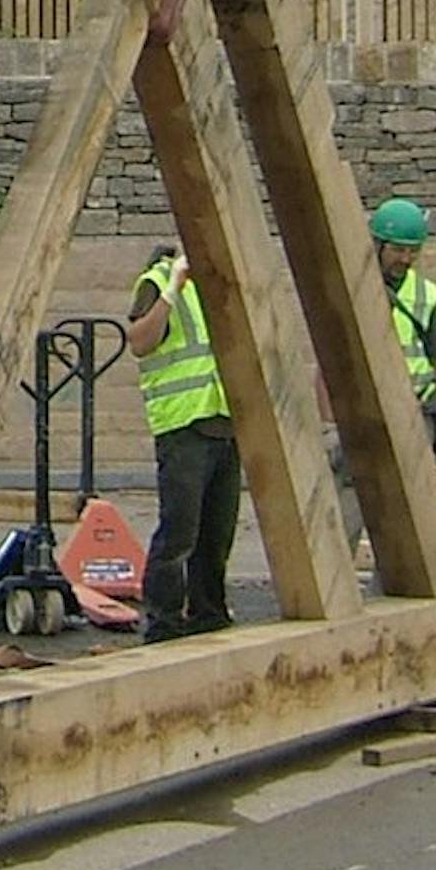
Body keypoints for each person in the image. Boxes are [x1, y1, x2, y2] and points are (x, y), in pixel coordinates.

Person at [126, 245, 241, 642]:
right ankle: (164, 623)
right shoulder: (157, 280)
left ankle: (210, 615)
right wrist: (171, 292)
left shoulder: (218, 281)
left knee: (216, 533)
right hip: (182, 425)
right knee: (179, 532)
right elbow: (139, 342)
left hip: (223, 420)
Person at [371, 197, 436, 456]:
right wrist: (330, 425)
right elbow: (328, 364)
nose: (406, 258)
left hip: (417, 412)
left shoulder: (426, 294)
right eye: (398, 250)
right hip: (364, 412)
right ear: (378, 246)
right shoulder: (353, 289)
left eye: (413, 250)